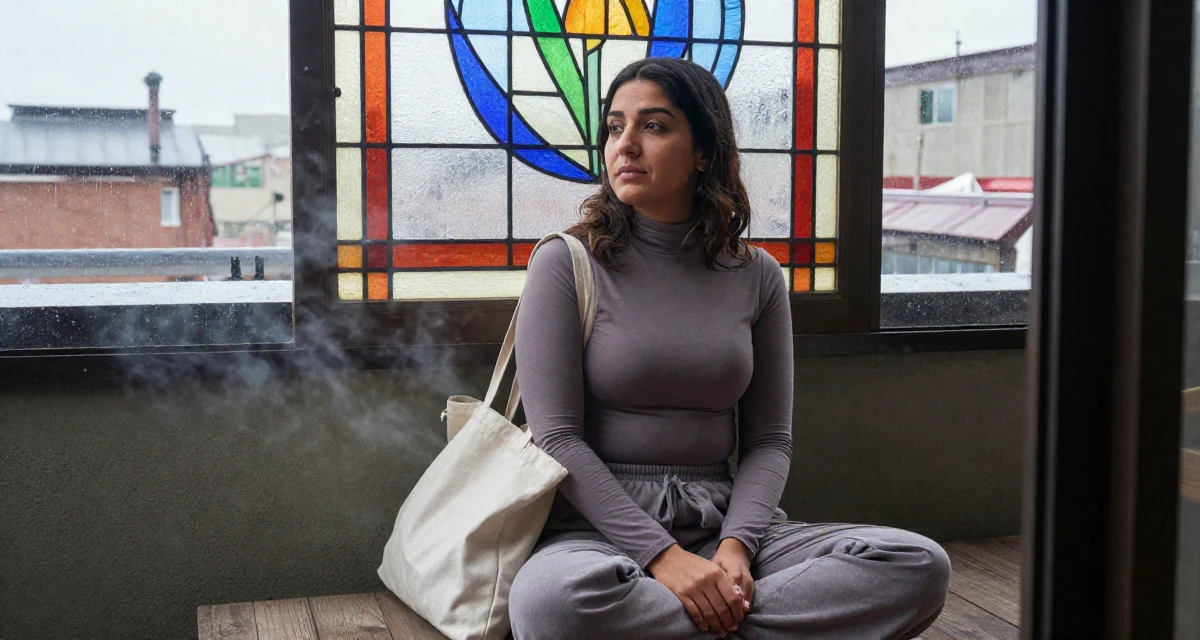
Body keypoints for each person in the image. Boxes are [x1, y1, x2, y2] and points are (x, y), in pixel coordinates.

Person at [509, 57, 950, 640]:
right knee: (553, 607)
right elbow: (557, 441)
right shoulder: (565, 263)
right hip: (598, 532)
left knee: (917, 565)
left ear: (704, 153)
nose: (626, 145)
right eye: (615, 127)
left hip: (728, 523)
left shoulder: (758, 274)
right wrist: (664, 558)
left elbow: (770, 440)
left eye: (655, 126)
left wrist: (738, 548)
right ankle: (731, 619)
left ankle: (706, 613)